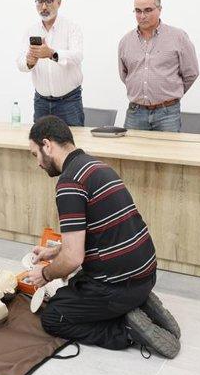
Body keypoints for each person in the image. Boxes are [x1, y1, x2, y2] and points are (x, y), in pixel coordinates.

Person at [23, 116, 181, 358]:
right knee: (76, 284)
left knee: (55, 316)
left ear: (47, 145)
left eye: (35, 154)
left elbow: (74, 258)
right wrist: (54, 252)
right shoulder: (96, 167)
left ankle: (126, 328)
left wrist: (45, 274)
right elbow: (100, 231)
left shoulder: (68, 183)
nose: (38, 163)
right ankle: (139, 303)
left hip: (119, 287)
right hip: (146, 274)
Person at [118, 0, 199, 132]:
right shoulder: (125, 41)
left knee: (168, 154)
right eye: (138, 11)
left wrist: (170, 92)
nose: (142, 16)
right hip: (135, 113)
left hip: (167, 114)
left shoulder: (178, 37)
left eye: (148, 10)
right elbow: (125, 75)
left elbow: (191, 73)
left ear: (159, 9)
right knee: (130, 153)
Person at [17, 0, 85, 126]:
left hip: (69, 102)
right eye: (40, 1)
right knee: (40, 146)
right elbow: (20, 64)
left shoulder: (72, 28)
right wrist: (30, 61)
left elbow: (77, 56)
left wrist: (52, 54)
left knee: (73, 145)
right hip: (41, 102)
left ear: (59, 3)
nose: (44, 7)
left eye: (49, 1)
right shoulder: (31, 30)